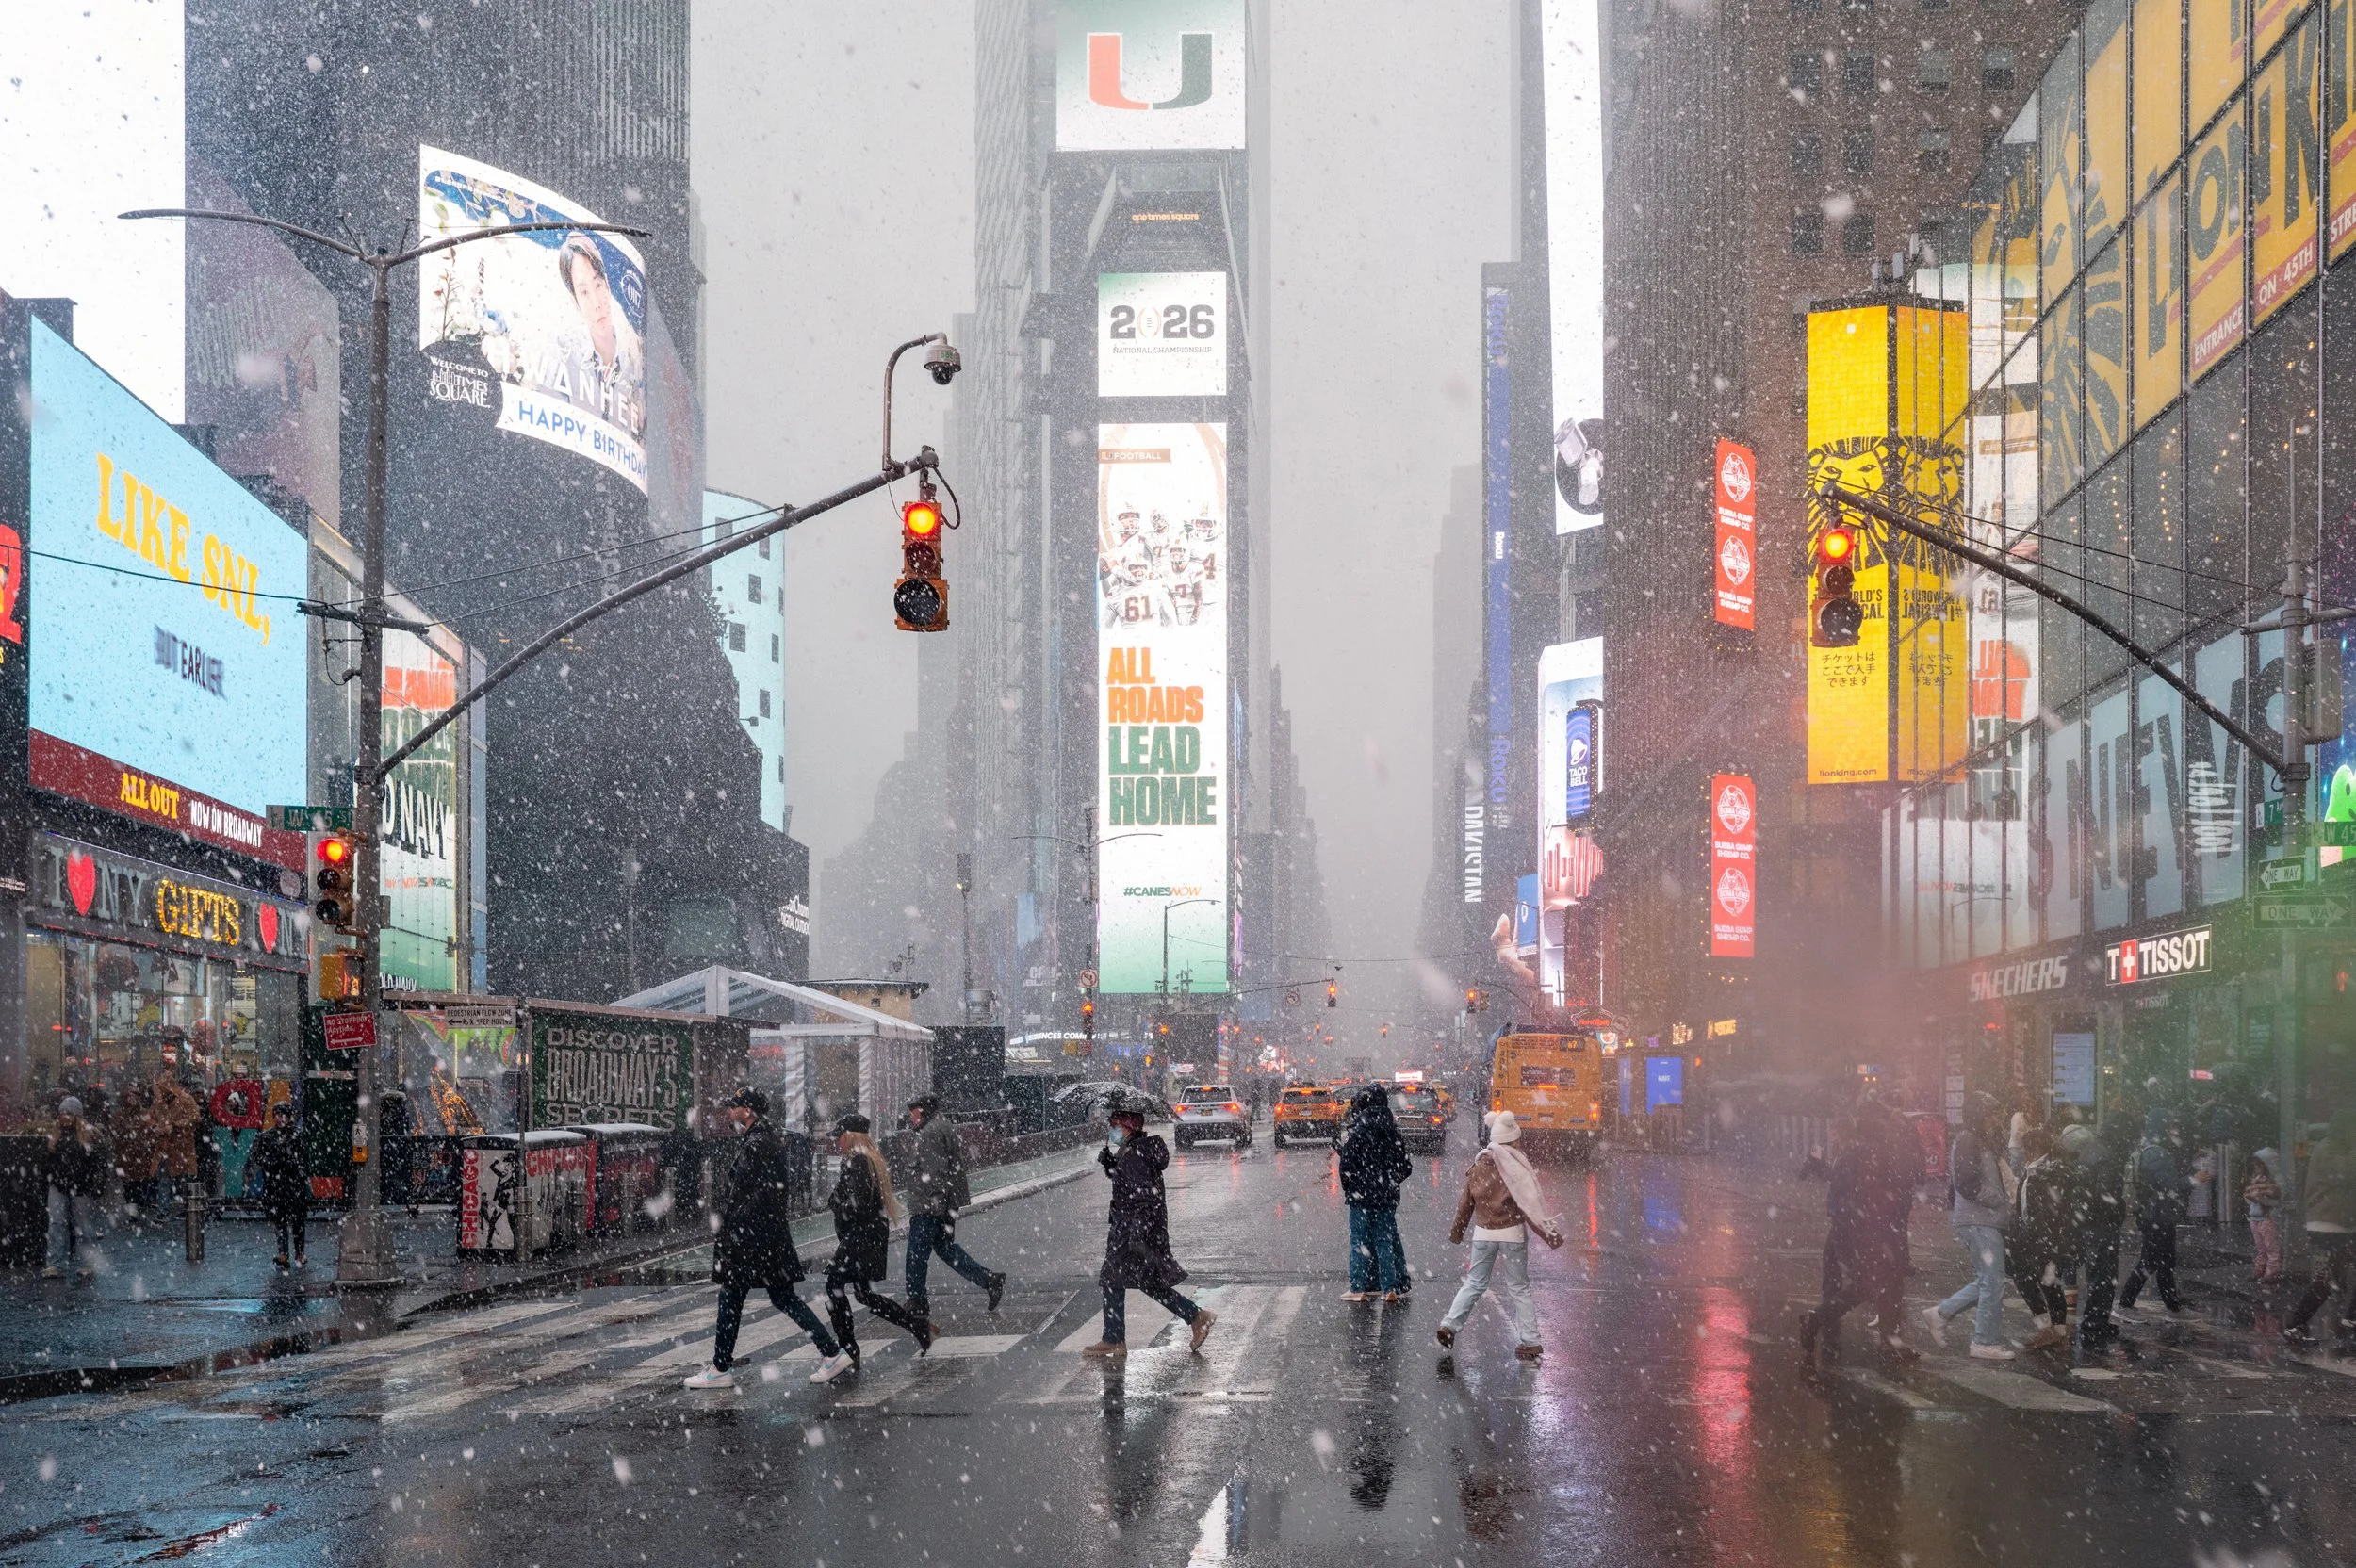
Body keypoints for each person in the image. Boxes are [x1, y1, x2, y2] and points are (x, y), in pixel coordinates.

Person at [685, 1088, 847, 1391]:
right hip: (765, 1238)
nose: (730, 1110)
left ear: (748, 1111)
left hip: (751, 1240)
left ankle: (721, 1367)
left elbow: (753, 1196)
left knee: (732, 1298)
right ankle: (830, 1351)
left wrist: (734, 1228)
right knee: (781, 1297)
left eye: (735, 1106)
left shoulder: (758, 1144)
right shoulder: (763, 1140)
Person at [1083, 1095, 1215, 1358]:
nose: (1112, 1129)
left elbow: (1143, 1196)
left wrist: (1137, 1233)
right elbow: (1137, 1188)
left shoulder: (1135, 1155)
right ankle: (1196, 1316)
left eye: (1115, 1124)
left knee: (1113, 1277)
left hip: (1133, 1229)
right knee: (1146, 1281)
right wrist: (1112, 1165)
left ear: (1129, 1127)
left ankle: (1114, 1338)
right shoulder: (1136, 1151)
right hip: (1138, 1228)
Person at [1436, 1110, 1563, 1362]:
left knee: (1474, 1283)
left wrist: (1457, 1232)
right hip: (1512, 1234)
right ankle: (1531, 1341)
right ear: (1513, 1139)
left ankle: (1449, 1325)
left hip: (1483, 1234)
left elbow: (1465, 1204)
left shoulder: (1478, 1166)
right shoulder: (1517, 1167)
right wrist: (1549, 1233)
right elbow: (1530, 1204)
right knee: (1518, 1288)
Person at [1799, 1102, 1915, 1364]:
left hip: (1873, 1230)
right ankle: (1817, 1319)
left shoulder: (1869, 1153)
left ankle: (1888, 1341)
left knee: (1881, 1285)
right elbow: (1866, 1195)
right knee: (1873, 1285)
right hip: (1872, 1232)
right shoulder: (1870, 1154)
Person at [822, 1113, 931, 1371]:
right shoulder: (865, 1159)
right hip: (866, 1236)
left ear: (849, 1136)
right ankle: (918, 1327)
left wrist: (836, 1202)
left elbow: (857, 1203)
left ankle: (848, 1349)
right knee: (863, 1294)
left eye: (839, 1136)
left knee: (834, 1285)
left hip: (860, 1237)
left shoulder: (858, 1161)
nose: (837, 1141)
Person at [1923, 1098, 2017, 1359]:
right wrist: (1998, 1200)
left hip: (1984, 1219)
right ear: (1980, 1115)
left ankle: (1941, 1314)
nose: (1997, 1119)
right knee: (1992, 1282)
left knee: (1989, 1281)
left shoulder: (1979, 1140)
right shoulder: (1968, 1140)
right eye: (1992, 1114)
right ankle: (1984, 1341)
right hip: (1979, 1220)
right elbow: (1966, 1183)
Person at [903, 1093, 1006, 1321]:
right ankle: (989, 1280)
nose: (910, 1116)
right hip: (940, 1204)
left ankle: (917, 1300)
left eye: (914, 1111)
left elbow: (934, 1173)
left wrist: (935, 1205)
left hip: (930, 1206)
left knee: (916, 1254)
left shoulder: (931, 1132)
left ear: (923, 1111)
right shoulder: (939, 1126)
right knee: (946, 1249)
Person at [2283, 1109, 2356, 1348]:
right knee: (2325, 1281)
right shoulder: (2329, 1149)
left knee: (2331, 1279)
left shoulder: (2337, 1148)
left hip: (2340, 1224)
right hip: (2327, 1226)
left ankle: (2350, 1319)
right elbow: (2344, 1174)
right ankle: (2295, 1324)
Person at [1335, 1084, 1413, 1302]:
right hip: (1387, 1196)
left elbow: (1347, 1166)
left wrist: (1352, 1187)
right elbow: (1405, 1166)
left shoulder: (1358, 1131)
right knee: (1384, 1240)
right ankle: (1389, 1287)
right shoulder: (1393, 1131)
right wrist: (1390, 1182)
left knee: (1359, 1241)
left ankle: (1359, 1286)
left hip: (1361, 1197)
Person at [2118, 1107, 2189, 1317]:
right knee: (2152, 1261)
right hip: (2160, 1216)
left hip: (2147, 1214)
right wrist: (2195, 1179)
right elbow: (2171, 1186)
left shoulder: (2142, 1149)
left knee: (2162, 1261)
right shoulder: (2160, 1154)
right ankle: (2127, 1301)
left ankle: (2172, 1304)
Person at [2061, 1122, 2125, 1350]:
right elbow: (2106, 1195)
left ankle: (2094, 1321)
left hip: (2088, 1222)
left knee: (2096, 1273)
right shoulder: (2104, 1156)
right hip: (2101, 1225)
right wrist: (2116, 1212)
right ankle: (2096, 1323)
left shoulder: (2083, 1159)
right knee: (2104, 1275)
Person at [2009, 1129, 2074, 1351]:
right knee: (2049, 1282)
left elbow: (2045, 1213)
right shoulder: (2043, 1169)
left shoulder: (2045, 1172)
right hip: (2047, 1238)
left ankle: (2047, 1329)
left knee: (2024, 1277)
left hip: (2042, 1238)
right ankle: (2058, 1332)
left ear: (2033, 1148)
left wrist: (2024, 1236)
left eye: (2026, 1147)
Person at [43, 1097, 110, 1280]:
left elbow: (100, 1162)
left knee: (83, 1226)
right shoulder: (56, 1135)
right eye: (62, 1113)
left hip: (81, 1186)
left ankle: (87, 1262)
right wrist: (51, 1175)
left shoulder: (89, 1135)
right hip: (60, 1184)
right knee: (57, 1223)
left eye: (68, 1113)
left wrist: (96, 1184)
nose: (64, 1116)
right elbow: (48, 1160)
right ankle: (55, 1263)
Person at [252, 1102, 311, 1268]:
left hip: (294, 1184)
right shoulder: (266, 1136)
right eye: (277, 1115)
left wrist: (295, 1166)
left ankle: (299, 1252)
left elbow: (305, 1159)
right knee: (280, 1220)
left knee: (298, 1221)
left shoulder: (297, 1135)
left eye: (283, 1115)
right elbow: (258, 1157)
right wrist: (271, 1163)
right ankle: (283, 1253)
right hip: (276, 1185)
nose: (280, 1118)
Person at [151, 1074, 201, 1217]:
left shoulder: (186, 1099)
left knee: (185, 1180)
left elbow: (195, 1118)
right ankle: (163, 1211)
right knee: (164, 1180)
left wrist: (175, 1125)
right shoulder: (159, 1102)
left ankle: (186, 1209)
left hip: (182, 1147)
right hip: (165, 1148)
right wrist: (155, 1127)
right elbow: (148, 1117)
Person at [2246, 1147, 2284, 1286]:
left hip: (2268, 1217)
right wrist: (2251, 1199)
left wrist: (2260, 1199)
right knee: (2261, 1247)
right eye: (2256, 1165)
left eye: (2259, 1165)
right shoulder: (2258, 1178)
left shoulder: (2276, 1179)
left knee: (2271, 1247)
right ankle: (2260, 1271)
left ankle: (2272, 1274)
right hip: (2256, 1217)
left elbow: (2278, 1200)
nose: (2257, 1168)